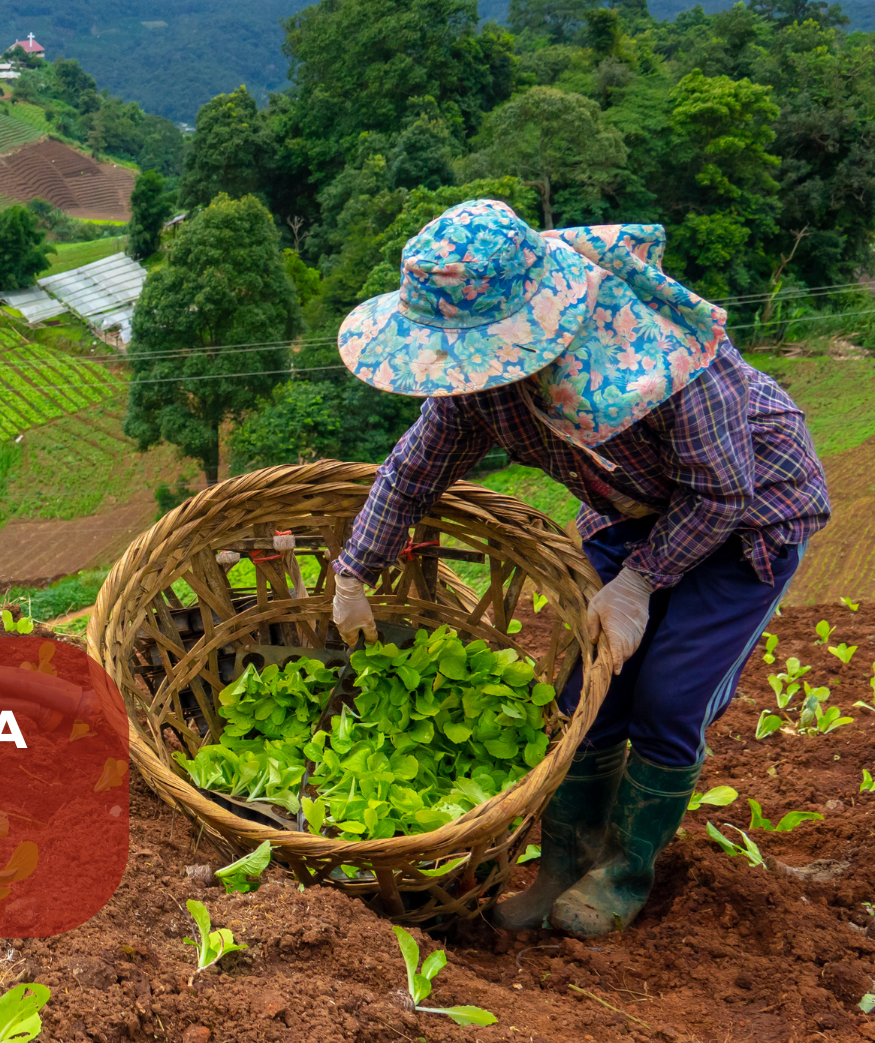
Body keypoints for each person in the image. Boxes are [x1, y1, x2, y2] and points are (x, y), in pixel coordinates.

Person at [327, 199, 829, 937]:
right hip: (630, 513)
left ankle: (624, 874)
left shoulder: (662, 355)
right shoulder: (480, 389)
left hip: (746, 516)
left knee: (666, 694)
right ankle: (563, 864)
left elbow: (722, 492)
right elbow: (412, 472)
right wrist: (353, 571)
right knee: (585, 694)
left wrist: (640, 582)